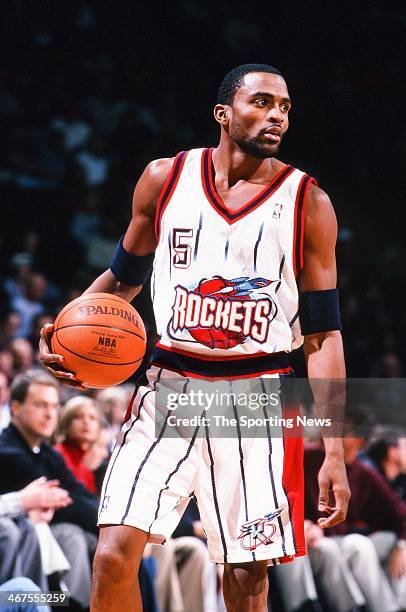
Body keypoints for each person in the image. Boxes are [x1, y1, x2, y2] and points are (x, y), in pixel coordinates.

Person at [39, 63, 350, 611]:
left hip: (258, 399)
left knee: (247, 577)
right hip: (168, 388)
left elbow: (324, 336)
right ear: (223, 114)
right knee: (111, 554)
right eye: (261, 102)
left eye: (284, 107)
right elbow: (121, 279)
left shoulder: (309, 203)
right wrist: (67, 326)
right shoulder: (165, 178)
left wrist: (335, 453)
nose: (276, 116)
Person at [0, 370, 99, 608]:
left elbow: (81, 496)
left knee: (107, 545)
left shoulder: (46, 453)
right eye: (41, 405)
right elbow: (69, 507)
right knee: (68, 535)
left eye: (55, 407)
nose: (50, 414)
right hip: (30, 532)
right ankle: (70, 607)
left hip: (39, 532)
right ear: (15, 408)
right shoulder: (7, 453)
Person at [54, 396, 109, 494]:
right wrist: (86, 468)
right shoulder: (57, 455)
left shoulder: (97, 457)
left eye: (92, 418)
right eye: (79, 417)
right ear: (67, 423)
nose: (86, 422)